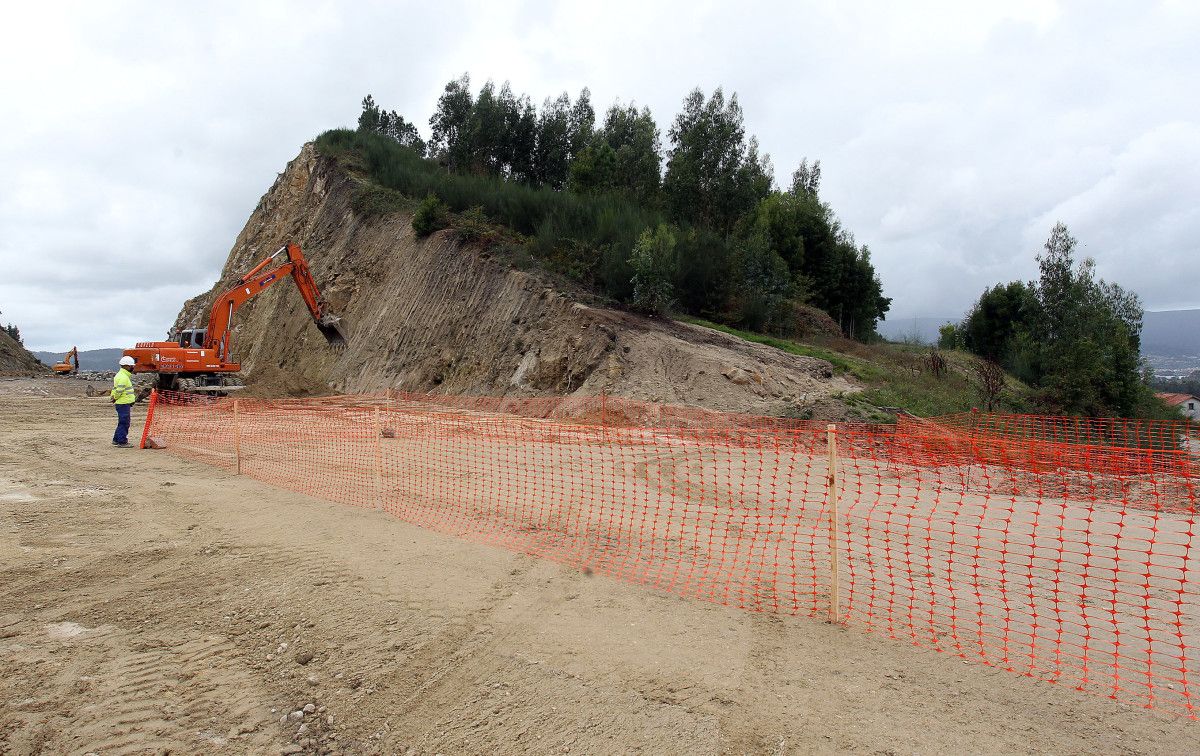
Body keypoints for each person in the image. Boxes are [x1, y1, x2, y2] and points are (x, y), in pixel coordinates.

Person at [111, 356, 137, 447]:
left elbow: (115, 389)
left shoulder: (120, 375)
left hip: (122, 403)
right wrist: (115, 397)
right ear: (126, 366)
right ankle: (122, 441)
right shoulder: (123, 377)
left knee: (122, 422)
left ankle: (116, 439)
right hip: (123, 403)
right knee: (124, 422)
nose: (132, 367)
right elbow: (119, 390)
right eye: (131, 366)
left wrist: (113, 397)